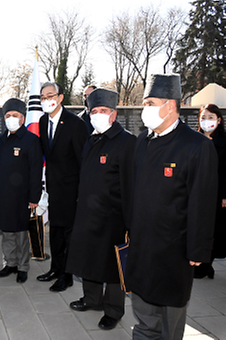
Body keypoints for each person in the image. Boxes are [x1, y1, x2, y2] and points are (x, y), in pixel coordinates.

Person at [126, 74, 217, 340]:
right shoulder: (142, 141)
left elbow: (203, 201)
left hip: (174, 251)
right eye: (145, 103)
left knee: (171, 323)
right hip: (143, 245)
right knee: (144, 319)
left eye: (151, 102)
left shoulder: (197, 146)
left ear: (170, 105)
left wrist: (198, 247)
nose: (146, 109)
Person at [66, 88, 135, 330]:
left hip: (113, 218)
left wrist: (129, 223)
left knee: (112, 266)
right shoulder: (91, 139)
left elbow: (129, 184)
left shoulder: (127, 142)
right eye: (93, 111)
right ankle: (92, 298)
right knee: (89, 259)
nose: (97, 115)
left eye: (103, 111)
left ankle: (113, 310)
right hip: (87, 214)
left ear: (113, 114)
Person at [36, 82, 88, 292]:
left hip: (70, 190)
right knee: (55, 233)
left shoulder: (75, 124)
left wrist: (80, 192)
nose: (46, 100)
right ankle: (55, 269)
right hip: (52, 189)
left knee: (68, 235)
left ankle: (66, 276)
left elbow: (83, 160)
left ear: (60, 97)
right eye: (42, 97)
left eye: (50, 95)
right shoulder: (41, 121)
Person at [0, 98, 42, 284]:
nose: (11, 118)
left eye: (15, 115)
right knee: (7, 233)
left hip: (22, 196)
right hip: (3, 195)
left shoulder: (31, 140)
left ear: (22, 118)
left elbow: (35, 171)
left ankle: (22, 267)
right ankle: (10, 263)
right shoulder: (1, 140)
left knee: (21, 234)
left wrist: (34, 197)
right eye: (8, 115)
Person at [195, 103, 226, 279]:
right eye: (204, 117)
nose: (207, 121)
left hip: (215, 194)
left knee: (214, 230)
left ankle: (207, 265)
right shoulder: (195, 140)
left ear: (219, 120)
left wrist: (224, 195)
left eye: (211, 117)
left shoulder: (223, 142)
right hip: (196, 192)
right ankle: (198, 264)